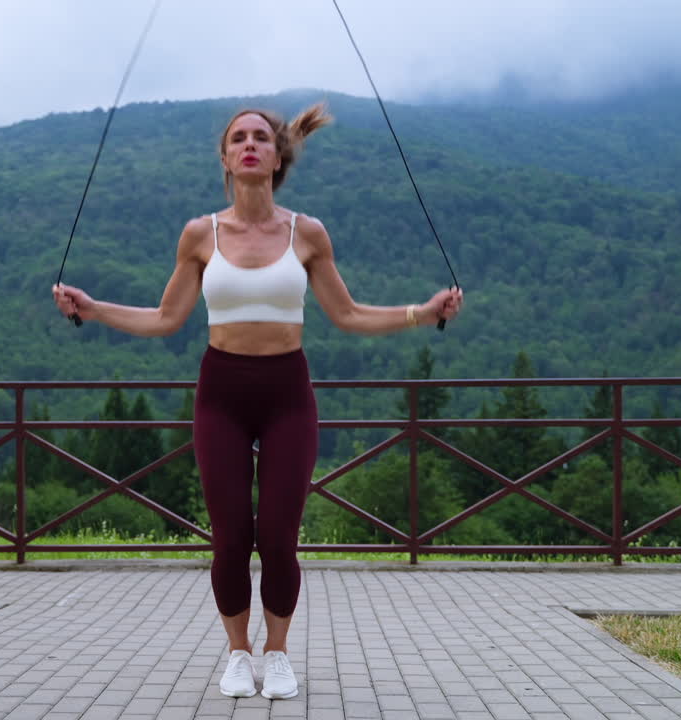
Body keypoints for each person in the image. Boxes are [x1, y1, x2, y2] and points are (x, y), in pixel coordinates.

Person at [52, 102, 462, 701]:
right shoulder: (200, 234)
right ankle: (237, 655)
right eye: (238, 138)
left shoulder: (307, 233)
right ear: (224, 158)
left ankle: (278, 654)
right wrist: (93, 307)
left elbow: (346, 315)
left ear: (277, 156)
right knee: (229, 535)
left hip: (286, 394)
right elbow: (167, 318)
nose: (249, 145)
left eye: (261, 138)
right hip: (221, 393)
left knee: (277, 535)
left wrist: (420, 315)